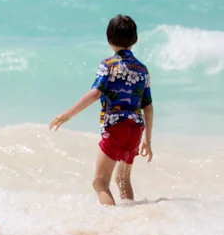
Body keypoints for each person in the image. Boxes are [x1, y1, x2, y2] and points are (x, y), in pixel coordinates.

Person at [49, 14, 154, 206]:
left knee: (100, 182)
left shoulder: (108, 64)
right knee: (123, 180)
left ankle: (112, 223)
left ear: (109, 39)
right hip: (135, 129)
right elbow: (148, 106)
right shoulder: (142, 69)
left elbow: (96, 93)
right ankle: (134, 219)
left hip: (116, 127)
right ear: (135, 39)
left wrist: (68, 114)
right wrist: (147, 139)